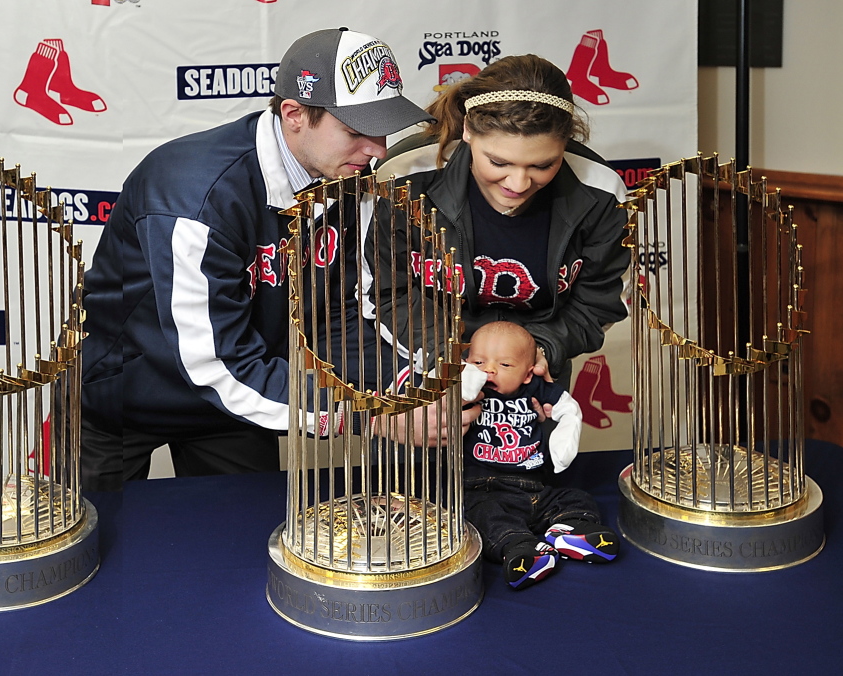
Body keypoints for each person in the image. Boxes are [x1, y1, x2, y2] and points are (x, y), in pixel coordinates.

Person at [79, 28, 443, 491]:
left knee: (242, 546)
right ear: (294, 114)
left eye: (382, 129)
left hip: (235, 404)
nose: (378, 150)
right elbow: (213, 366)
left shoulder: (348, 177)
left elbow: (342, 313)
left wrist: (408, 388)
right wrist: (370, 417)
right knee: (94, 550)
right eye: (355, 132)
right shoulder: (195, 196)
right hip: (119, 400)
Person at [366, 54, 630, 385]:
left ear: (566, 144)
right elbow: (385, 290)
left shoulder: (601, 193)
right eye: (498, 162)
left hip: (535, 374)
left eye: (542, 165)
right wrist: (444, 360)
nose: (518, 184)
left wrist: (541, 351)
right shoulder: (404, 177)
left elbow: (600, 301)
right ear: (467, 131)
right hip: (425, 368)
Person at [461, 321, 618, 590]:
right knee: (480, 516)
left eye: (505, 365)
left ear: (527, 374)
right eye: (479, 361)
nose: (489, 369)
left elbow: (569, 408)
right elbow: (448, 396)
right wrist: (465, 379)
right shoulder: (472, 396)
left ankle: (569, 530)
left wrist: (562, 441)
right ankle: (521, 548)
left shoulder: (535, 388)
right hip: (484, 488)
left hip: (535, 488)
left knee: (576, 498)